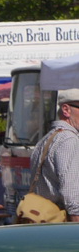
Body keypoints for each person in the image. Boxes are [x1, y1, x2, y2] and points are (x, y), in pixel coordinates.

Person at [25, 88, 79, 222]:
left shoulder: (46, 138)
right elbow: (71, 192)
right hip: (60, 220)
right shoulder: (69, 139)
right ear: (66, 110)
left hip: (43, 217)